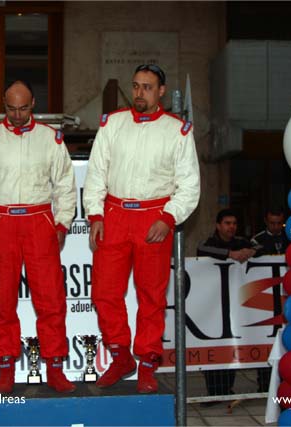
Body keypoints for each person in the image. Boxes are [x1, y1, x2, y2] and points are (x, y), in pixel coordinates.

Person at [83, 64, 200, 393]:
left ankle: (148, 362)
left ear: (161, 91)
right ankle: (120, 356)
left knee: (151, 296)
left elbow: (190, 185)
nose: (139, 93)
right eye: (135, 86)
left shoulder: (177, 130)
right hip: (114, 215)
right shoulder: (112, 123)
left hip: (154, 217)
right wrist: (95, 214)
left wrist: (169, 217)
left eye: (147, 87)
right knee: (104, 292)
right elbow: (96, 172)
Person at [0, 80, 77, 394]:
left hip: (40, 220)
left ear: (33, 104)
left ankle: (55, 368)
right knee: (2, 302)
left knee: (51, 300)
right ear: (3, 104)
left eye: (23, 108)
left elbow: (65, 184)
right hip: (1, 222)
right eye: (11, 108)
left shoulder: (50, 138)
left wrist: (62, 223)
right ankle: (6, 369)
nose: (17, 115)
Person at [196, 208, 255, 404]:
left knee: (231, 344)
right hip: (212, 304)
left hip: (236, 303)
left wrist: (250, 252)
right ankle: (214, 392)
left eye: (234, 224)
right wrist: (230, 254)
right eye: (227, 223)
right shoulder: (210, 243)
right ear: (218, 225)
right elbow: (202, 250)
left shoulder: (241, 242)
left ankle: (227, 388)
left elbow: (260, 246)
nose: (232, 227)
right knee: (213, 345)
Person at [250, 207, 289, 392]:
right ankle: (264, 383)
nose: (275, 227)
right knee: (265, 336)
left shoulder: (290, 237)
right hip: (265, 296)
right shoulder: (257, 240)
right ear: (266, 221)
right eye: (272, 223)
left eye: (279, 223)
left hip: (288, 294)